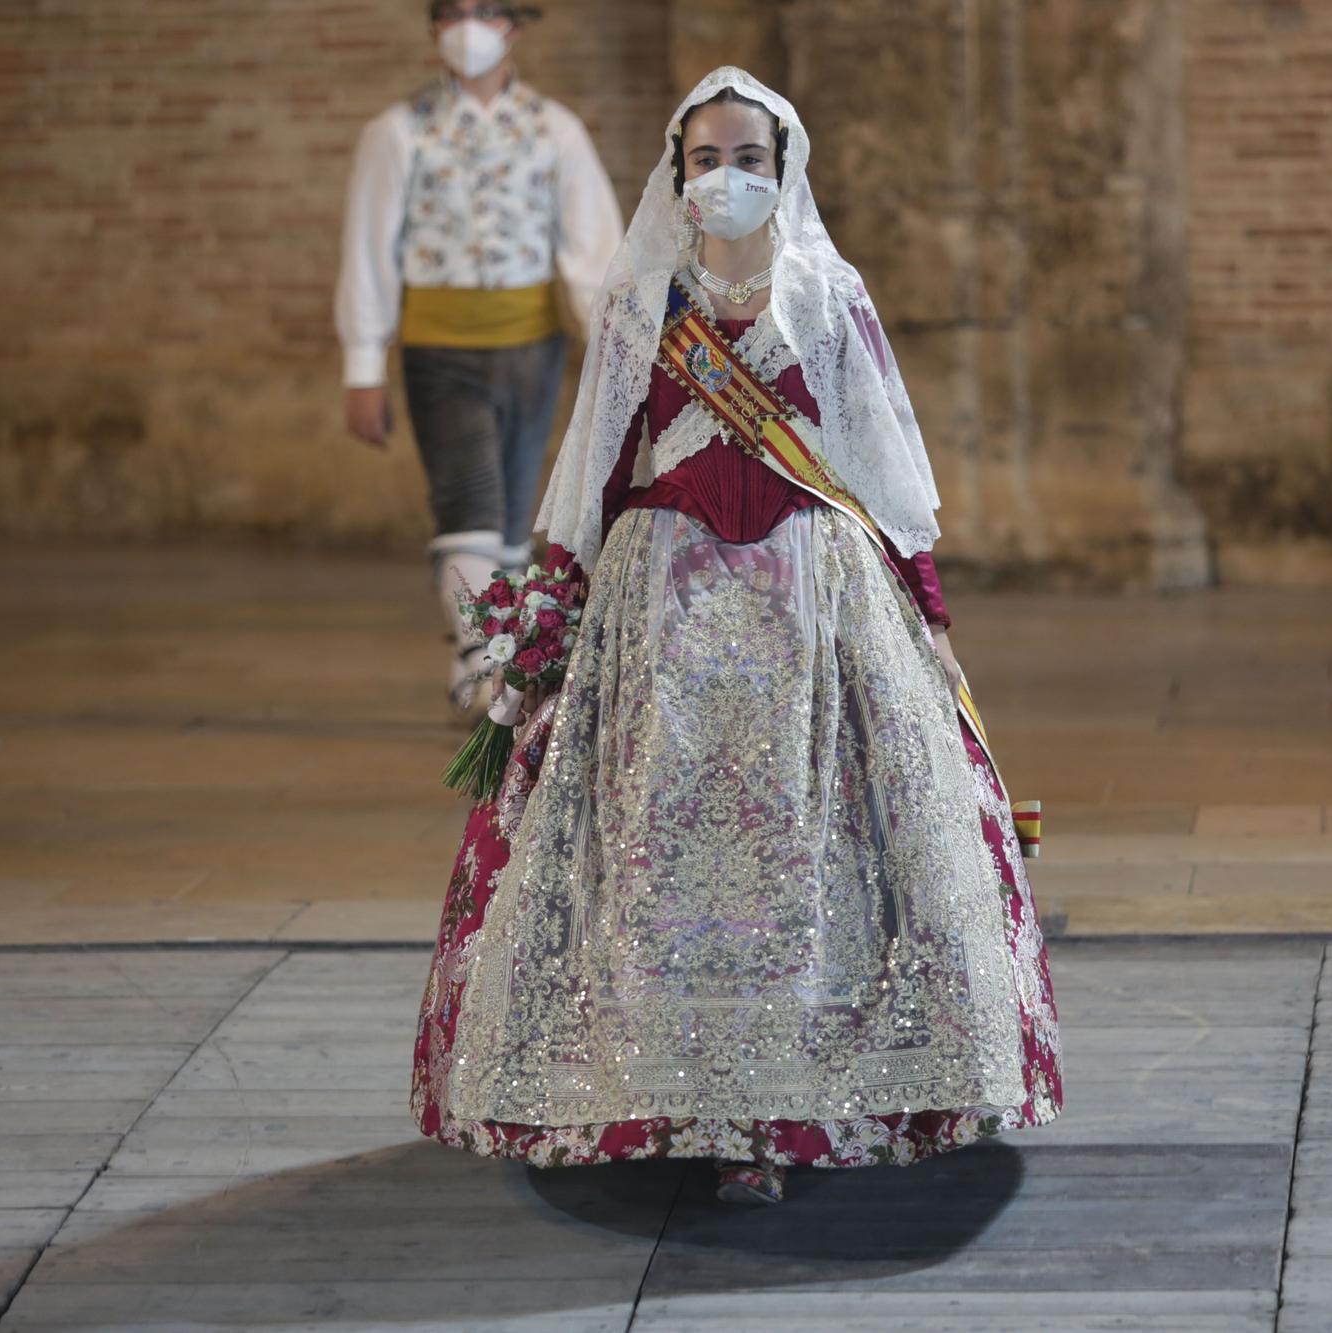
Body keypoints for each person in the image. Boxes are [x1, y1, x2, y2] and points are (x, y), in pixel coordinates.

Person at [410, 66, 1062, 1205]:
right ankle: (666, 1096)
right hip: (661, 612)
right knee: (660, 847)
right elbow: (591, 472)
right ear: (675, 174)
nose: (725, 179)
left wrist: (933, 619)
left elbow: (881, 472)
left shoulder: (828, 296)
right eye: (703, 160)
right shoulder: (636, 305)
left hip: (814, 605)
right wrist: (551, 610)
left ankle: (793, 1104)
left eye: (746, 160)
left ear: (782, 170)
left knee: (815, 845)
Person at [336, 1, 623, 714]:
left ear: (516, 25)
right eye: (453, 11)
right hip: (440, 347)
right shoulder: (397, 133)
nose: (469, 26)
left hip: (532, 347)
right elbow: (368, 252)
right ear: (433, 27)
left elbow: (594, 251)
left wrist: (617, 349)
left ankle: (503, 658)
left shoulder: (554, 130)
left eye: (486, 10)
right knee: (468, 500)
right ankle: (477, 661)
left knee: (513, 513)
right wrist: (363, 368)